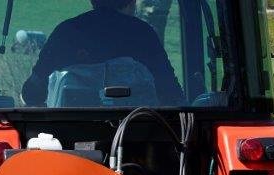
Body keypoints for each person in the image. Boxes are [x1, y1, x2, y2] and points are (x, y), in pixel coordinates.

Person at [22, 0, 183, 107]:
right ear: (131, 2)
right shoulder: (144, 35)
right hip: (139, 136)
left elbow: (32, 92)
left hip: (68, 139)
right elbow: (171, 94)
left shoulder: (66, 33)